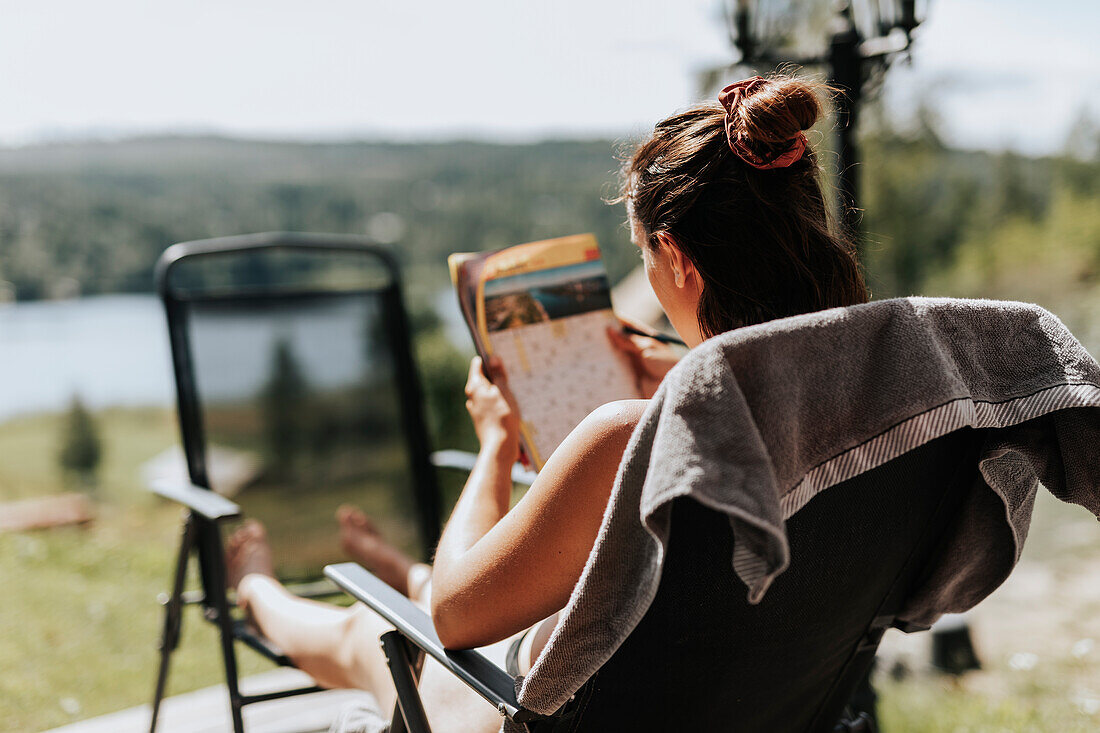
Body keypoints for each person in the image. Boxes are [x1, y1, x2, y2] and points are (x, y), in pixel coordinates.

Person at [225, 73, 869, 732]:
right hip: (755, 708)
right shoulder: (865, 411)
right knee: (485, 591)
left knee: (372, 626)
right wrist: (685, 378)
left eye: (642, 251)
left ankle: (258, 593)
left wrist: (497, 444)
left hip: (549, 711)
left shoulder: (633, 440)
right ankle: (410, 571)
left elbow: (452, 617)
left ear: (675, 257)